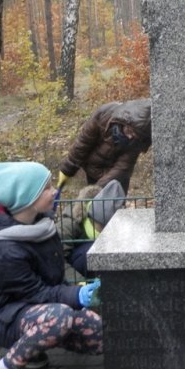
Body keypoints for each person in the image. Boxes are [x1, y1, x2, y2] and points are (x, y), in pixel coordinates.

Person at [0, 161, 103, 369]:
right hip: (4, 317)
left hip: (36, 308)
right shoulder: (7, 251)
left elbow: (53, 281)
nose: (54, 191)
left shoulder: (42, 228)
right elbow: (36, 293)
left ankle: (33, 350)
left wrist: (82, 295)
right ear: (26, 199)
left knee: (100, 333)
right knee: (60, 316)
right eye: (46, 188)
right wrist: (77, 295)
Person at [55, 99, 151, 268]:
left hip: (114, 178)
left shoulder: (136, 139)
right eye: (129, 131)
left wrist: (96, 193)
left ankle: (105, 256)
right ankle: (84, 254)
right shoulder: (103, 115)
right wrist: (68, 170)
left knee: (105, 211)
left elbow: (122, 168)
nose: (130, 137)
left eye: (135, 135)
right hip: (92, 166)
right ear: (123, 121)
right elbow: (82, 145)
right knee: (83, 215)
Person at [57, 179, 126, 278]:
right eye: (102, 227)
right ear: (91, 218)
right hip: (75, 269)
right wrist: (80, 283)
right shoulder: (69, 224)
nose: (104, 232)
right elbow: (57, 262)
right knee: (90, 251)